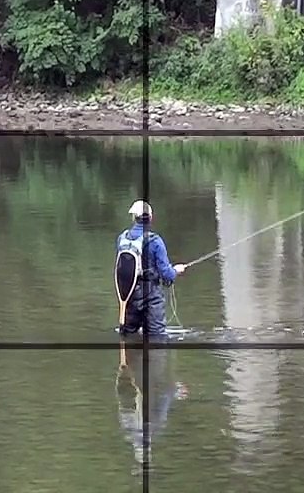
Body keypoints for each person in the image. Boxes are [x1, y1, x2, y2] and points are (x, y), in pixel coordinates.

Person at [115, 199, 188, 339]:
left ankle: (126, 359)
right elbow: (166, 275)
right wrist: (176, 270)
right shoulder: (155, 241)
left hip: (129, 294)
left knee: (128, 335)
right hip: (151, 296)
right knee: (157, 338)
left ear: (133, 218)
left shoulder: (122, 239)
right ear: (151, 218)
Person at [116, 343, 188, 475]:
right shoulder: (148, 427)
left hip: (140, 372)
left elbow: (123, 397)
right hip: (142, 372)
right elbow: (123, 397)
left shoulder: (134, 427)